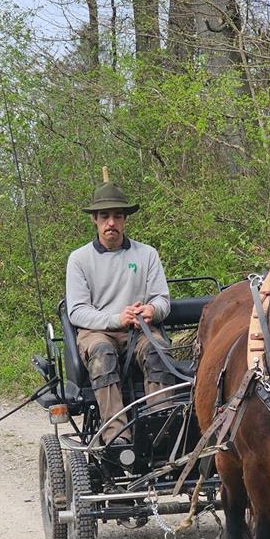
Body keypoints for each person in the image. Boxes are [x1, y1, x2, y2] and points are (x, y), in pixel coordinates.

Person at [66, 178, 175, 444]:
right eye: (105, 216)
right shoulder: (79, 259)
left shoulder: (147, 254)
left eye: (117, 216)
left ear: (125, 219)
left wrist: (152, 310)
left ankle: (159, 433)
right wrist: (116, 319)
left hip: (139, 331)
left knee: (158, 352)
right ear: (95, 219)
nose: (111, 223)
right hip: (97, 332)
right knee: (102, 355)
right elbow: (77, 311)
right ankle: (117, 438)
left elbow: (163, 299)